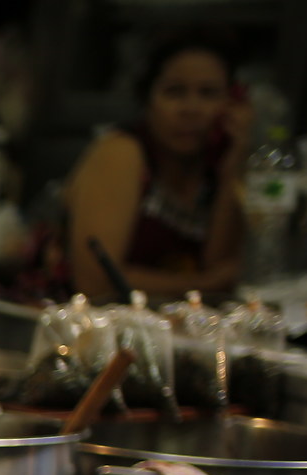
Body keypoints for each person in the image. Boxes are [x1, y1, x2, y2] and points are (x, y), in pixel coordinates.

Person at [64, 31, 248, 300]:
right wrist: (205, 284)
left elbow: (219, 269)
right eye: (175, 92)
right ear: (148, 100)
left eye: (208, 93)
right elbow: (96, 284)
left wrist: (235, 161)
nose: (191, 108)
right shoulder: (122, 153)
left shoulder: (216, 168)